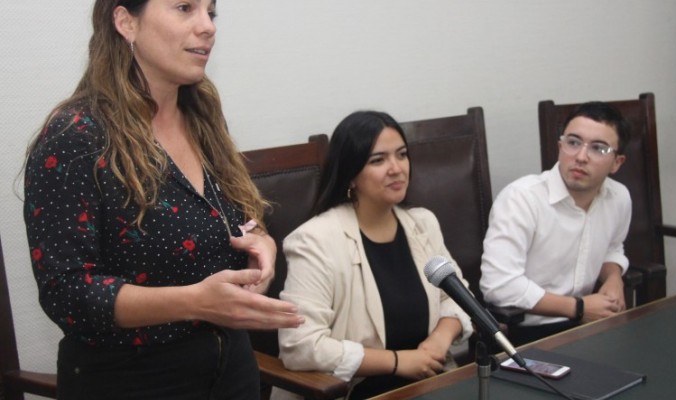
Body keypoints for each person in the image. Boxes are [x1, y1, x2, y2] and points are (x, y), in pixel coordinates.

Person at [23, 1, 303, 399]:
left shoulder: (202, 114)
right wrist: (194, 303)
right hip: (133, 380)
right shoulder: (77, 137)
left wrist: (262, 243)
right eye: (185, 8)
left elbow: (236, 216)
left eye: (212, 12)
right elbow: (66, 292)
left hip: (233, 370)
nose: (207, 27)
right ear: (125, 21)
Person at [271, 111, 473, 400]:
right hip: (355, 391)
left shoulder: (422, 224)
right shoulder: (315, 241)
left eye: (401, 155)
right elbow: (301, 346)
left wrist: (440, 340)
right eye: (378, 160)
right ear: (351, 174)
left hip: (430, 384)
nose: (396, 168)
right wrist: (397, 361)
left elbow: (456, 296)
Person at [480, 101, 631, 346]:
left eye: (598, 148)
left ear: (617, 162)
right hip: (527, 334)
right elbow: (499, 285)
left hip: (592, 324)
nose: (581, 157)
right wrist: (578, 308)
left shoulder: (619, 197)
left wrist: (614, 278)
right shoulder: (521, 198)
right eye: (573, 143)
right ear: (560, 146)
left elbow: (613, 248)